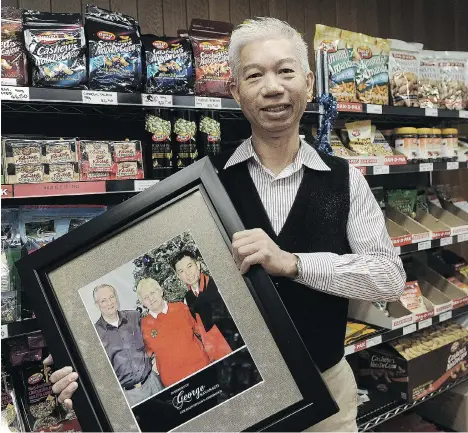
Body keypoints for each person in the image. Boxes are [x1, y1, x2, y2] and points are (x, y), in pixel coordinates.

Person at [47, 17, 405, 431]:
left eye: (286, 71)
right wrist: (79, 351)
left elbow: (388, 278)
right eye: (255, 75)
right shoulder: (199, 188)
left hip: (327, 396)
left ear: (308, 83)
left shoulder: (345, 179)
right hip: (233, 397)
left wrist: (293, 263)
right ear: (235, 90)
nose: (272, 87)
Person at [93, 284, 163, 406]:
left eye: (112, 297)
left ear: (116, 297)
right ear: (97, 304)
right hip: (130, 396)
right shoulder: (96, 333)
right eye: (103, 300)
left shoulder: (134, 316)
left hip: (153, 383)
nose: (109, 303)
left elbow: (152, 338)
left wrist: (157, 357)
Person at [136, 278, 210, 387]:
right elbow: (145, 353)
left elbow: (201, 331)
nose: (151, 298)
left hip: (202, 368)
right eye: (145, 297)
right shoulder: (143, 325)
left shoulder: (181, 307)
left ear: (160, 291)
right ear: (143, 303)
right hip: (174, 383)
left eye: (152, 292)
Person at [172, 250, 232, 361]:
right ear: (179, 276)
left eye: (189, 266)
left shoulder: (217, 284)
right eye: (181, 271)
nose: (188, 273)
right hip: (215, 354)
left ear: (198, 265)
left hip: (234, 343)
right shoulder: (187, 299)